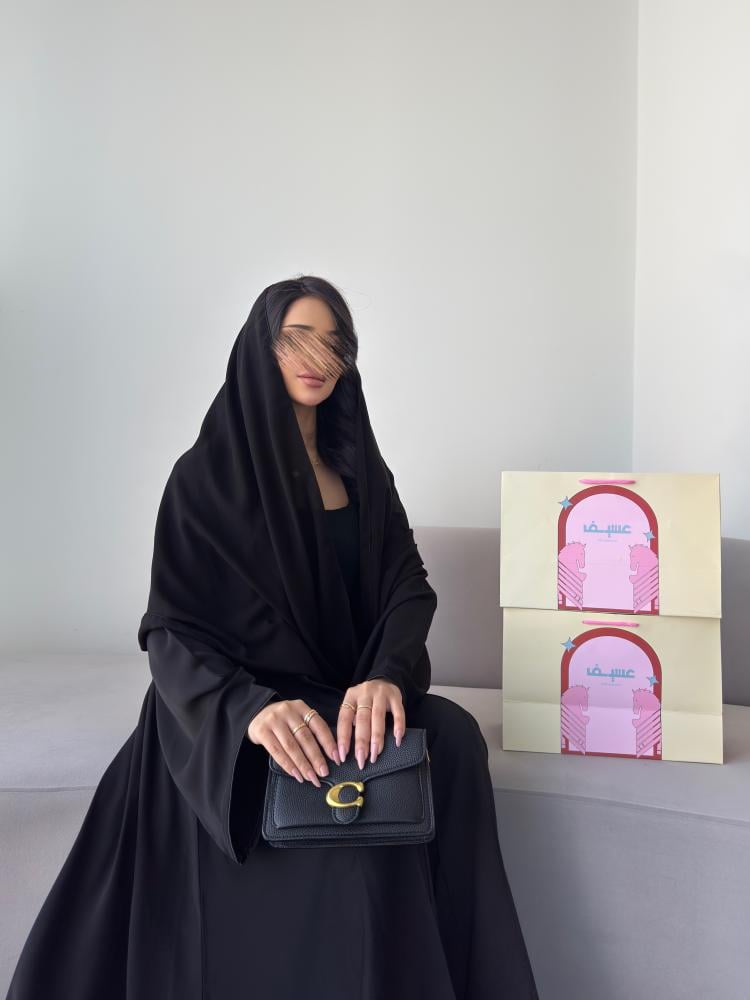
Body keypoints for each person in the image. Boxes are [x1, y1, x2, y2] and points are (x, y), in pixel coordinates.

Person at [5, 275, 539, 999]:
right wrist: (250, 709)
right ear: (261, 348)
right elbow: (172, 629)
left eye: (334, 342)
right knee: (346, 842)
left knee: (453, 738)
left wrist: (385, 674)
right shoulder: (205, 477)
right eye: (296, 338)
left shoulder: (361, 472)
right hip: (232, 711)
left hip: (340, 692)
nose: (317, 358)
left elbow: (407, 585)